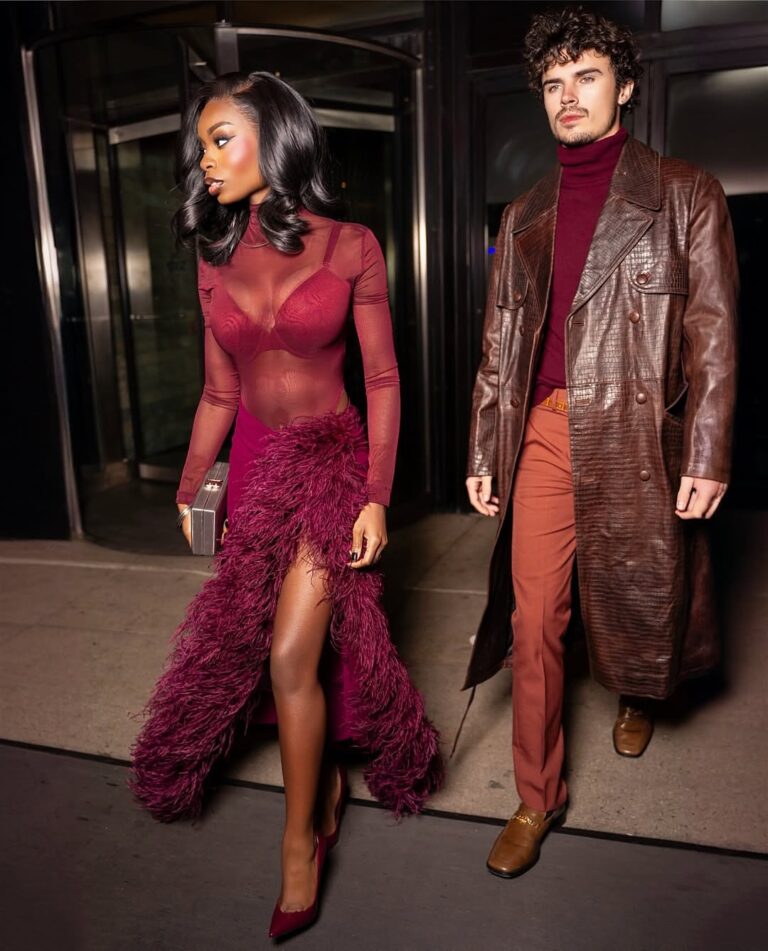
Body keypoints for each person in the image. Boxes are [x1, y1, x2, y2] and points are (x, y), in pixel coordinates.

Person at [130, 71, 442, 938]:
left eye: (220, 139)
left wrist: (377, 497)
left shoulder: (352, 245)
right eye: (201, 144)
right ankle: (326, 780)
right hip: (254, 473)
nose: (204, 159)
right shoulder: (212, 257)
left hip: (330, 464)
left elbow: (384, 379)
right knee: (264, 652)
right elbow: (218, 392)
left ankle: (299, 843)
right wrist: (193, 485)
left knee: (290, 654)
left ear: (274, 138)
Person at [465, 8, 738, 879]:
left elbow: (714, 333)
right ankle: (537, 795)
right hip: (546, 428)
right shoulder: (524, 212)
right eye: (553, 83)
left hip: (638, 426)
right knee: (535, 616)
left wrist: (708, 450)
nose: (568, 96)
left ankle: (637, 690)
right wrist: (485, 447)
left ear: (623, 87)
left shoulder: (685, 192)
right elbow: (500, 343)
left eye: (585, 77)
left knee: (637, 591)